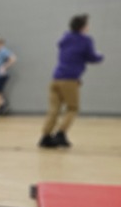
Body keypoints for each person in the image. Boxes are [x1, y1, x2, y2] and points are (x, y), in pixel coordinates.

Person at [39, 14, 104, 149]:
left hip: (56, 79)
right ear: (83, 27)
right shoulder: (85, 40)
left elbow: (72, 53)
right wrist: (100, 56)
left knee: (54, 110)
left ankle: (45, 137)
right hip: (70, 80)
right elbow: (92, 57)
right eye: (87, 24)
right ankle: (61, 134)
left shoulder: (65, 38)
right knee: (73, 108)